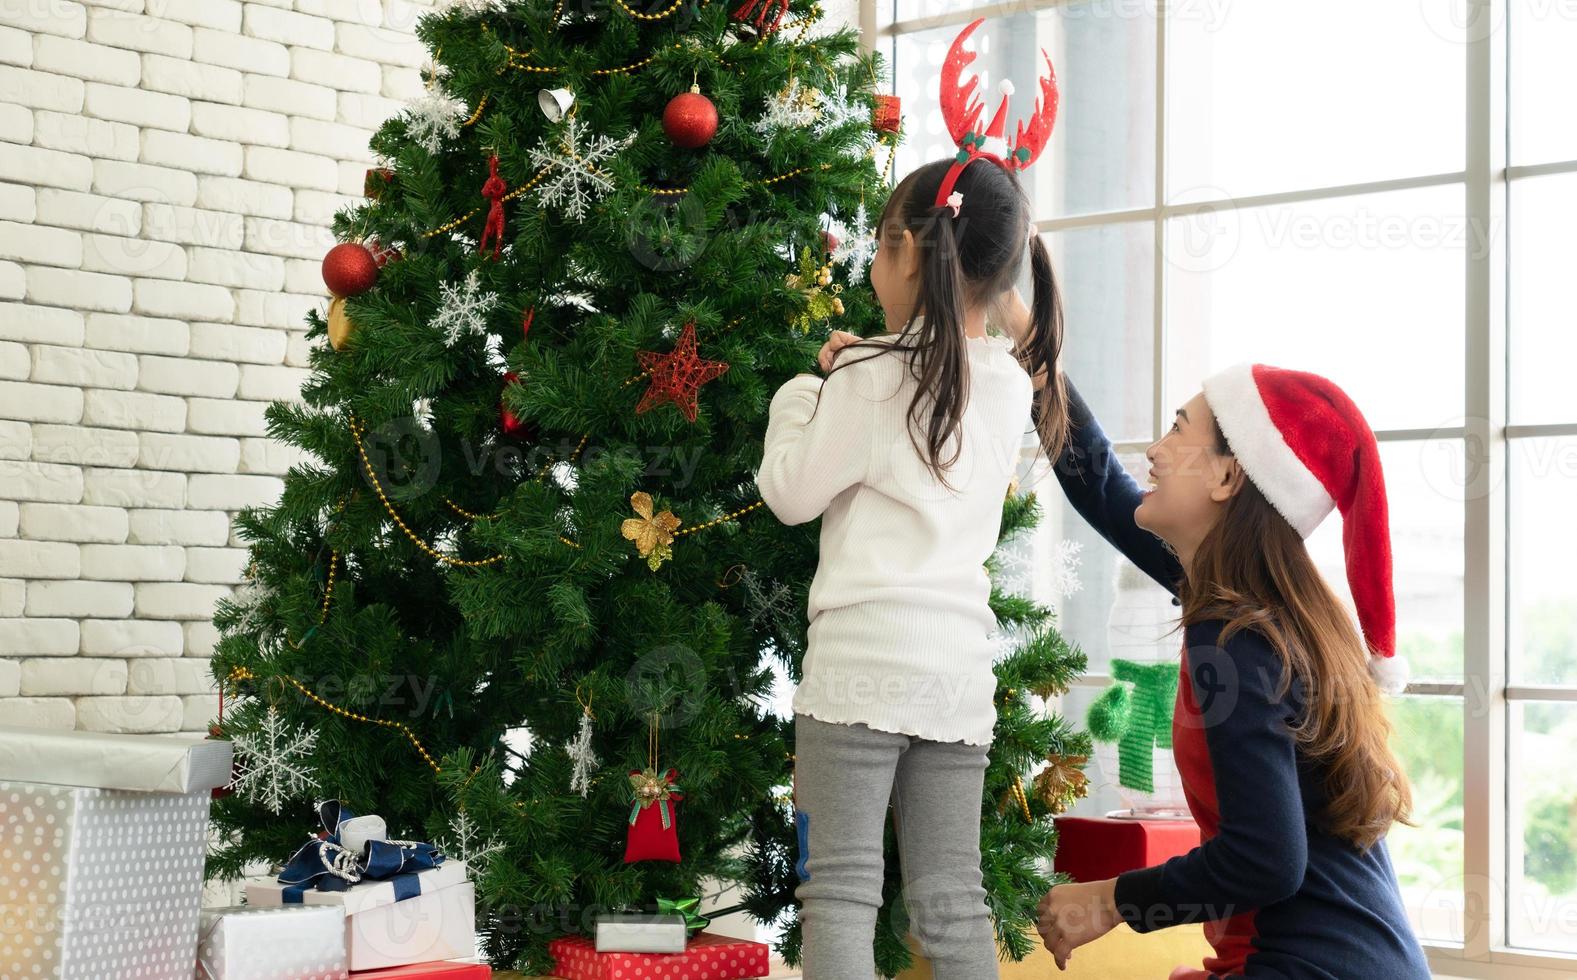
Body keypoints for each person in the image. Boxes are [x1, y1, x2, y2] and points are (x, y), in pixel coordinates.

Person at [755, 152, 1068, 979]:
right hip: (955, 680)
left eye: (879, 242)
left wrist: (803, 393)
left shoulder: (862, 375)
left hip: (858, 674)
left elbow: (790, 492)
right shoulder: (1005, 385)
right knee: (949, 897)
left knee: (840, 897)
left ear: (904, 250)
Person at [1025, 354, 1431, 979]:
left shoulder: (1234, 634)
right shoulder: (1257, 607)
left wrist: (1107, 901)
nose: (1155, 451)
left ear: (1227, 477)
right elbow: (1103, 488)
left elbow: (1266, 859)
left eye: (1179, 430)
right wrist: (1032, 345)